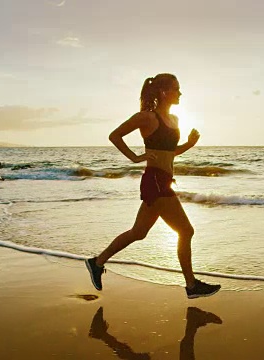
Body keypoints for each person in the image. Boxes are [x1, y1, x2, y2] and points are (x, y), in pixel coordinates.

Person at [85, 73, 221, 299]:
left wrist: (189, 143)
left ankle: (96, 262)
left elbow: (170, 153)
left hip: (163, 181)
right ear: (163, 91)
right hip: (154, 181)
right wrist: (135, 158)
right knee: (186, 230)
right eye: (176, 89)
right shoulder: (147, 118)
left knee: (138, 232)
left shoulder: (175, 120)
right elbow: (115, 135)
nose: (180, 93)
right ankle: (191, 285)